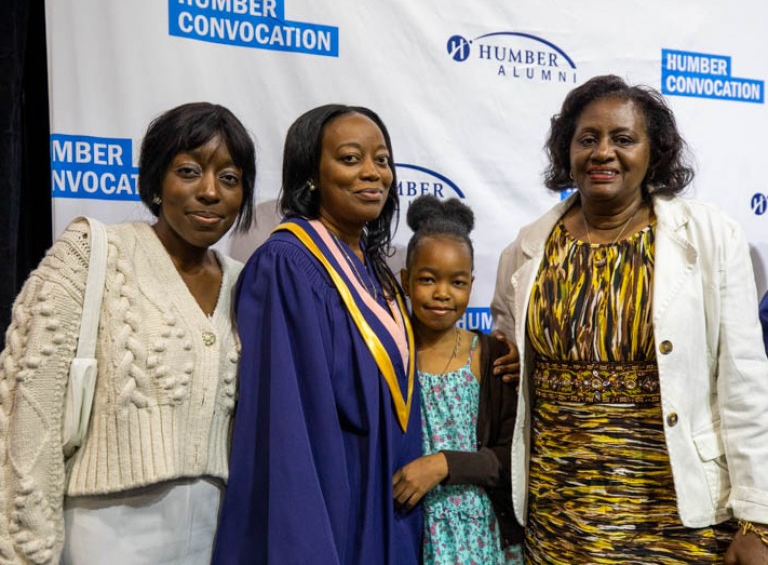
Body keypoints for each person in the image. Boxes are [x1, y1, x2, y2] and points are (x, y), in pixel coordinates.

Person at [491, 74, 768, 564]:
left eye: (623, 139)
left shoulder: (709, 237)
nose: (603, 152)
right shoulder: (527, 248)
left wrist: (757, 520)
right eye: (588, 139)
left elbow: (744, 385)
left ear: (653, 152)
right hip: (559, 516)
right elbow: (509, 351)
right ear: (566, 150)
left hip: (674, 513)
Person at [0, 102, 256, 564]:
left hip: (216, 530)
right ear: (157, 180)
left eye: (230, 178)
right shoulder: (92, 252)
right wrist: (26, 550)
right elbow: (29, 408)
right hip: (106, 529)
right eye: (190, 170)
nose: (210, 191)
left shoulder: (247, 285)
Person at [212, 104, 422, 564]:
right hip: (333, 518)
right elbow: (287, 429)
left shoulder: (376, 271)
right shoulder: (288, 264)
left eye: (382, 160)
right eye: (350, 159)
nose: (372, 173)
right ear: (312, 175)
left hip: (386, 515)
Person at [393, 195, 524, 564]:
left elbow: (513, 454)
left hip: (482, 535)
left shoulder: (492, 356)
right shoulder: (389, 356)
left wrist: (444, 463)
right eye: (428, 279)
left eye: (458, 282)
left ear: (471, 284)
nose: (442, 294)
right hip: (411, 529)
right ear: (406, 280)